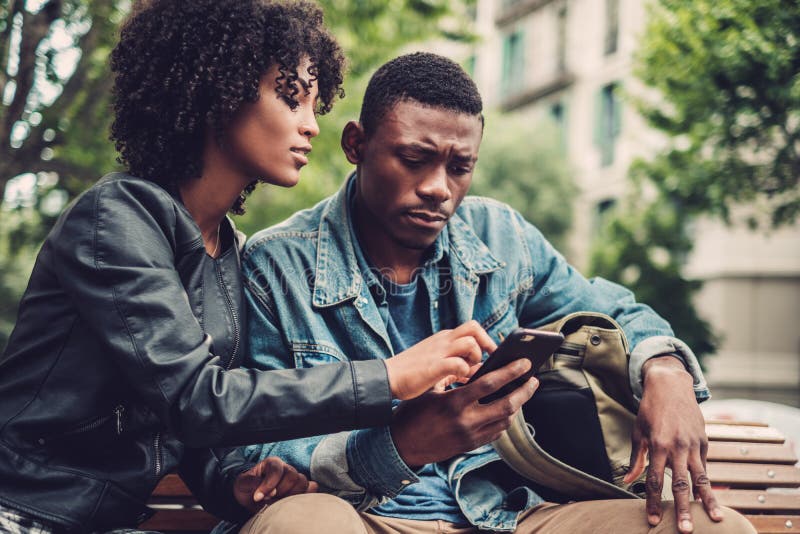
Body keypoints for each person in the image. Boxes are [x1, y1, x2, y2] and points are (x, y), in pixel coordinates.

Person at [0, 6, 491, 533]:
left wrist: (233, 482)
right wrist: (390, 377)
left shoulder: (227, 250)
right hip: (27, 512)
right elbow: (196, 399)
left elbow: (177, 421)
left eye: (313, 102)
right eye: (291, 97)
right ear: (222, 92)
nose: (311, 124)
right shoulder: (116, 218)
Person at [235, 53, 757, 534]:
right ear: (356, 144)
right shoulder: (277, 265)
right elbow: (248, 454)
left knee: (722, 530)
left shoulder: (501, 236)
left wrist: (665, 369)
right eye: (415, 158)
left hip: (506, 516)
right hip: (361, 516)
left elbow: (614, 308)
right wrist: (402, 444)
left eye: (459, 167)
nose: (439, 187)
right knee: (299, 524)